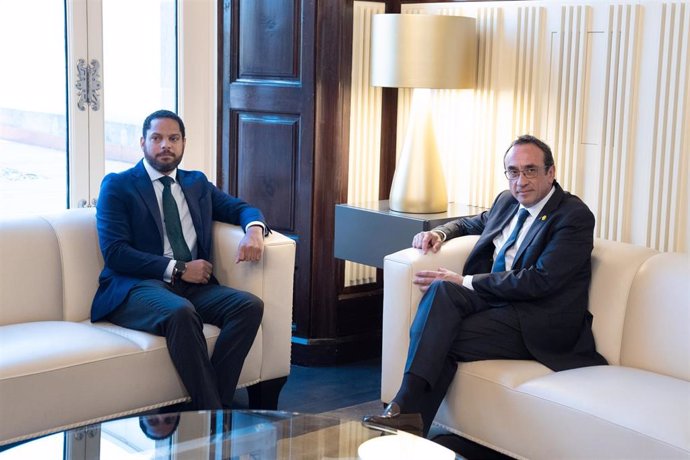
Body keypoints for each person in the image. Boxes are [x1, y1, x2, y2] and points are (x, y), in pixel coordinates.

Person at [363, 134, 607, 437]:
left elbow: (541, 280)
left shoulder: (573, 216)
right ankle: (407, 416)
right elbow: (471, 223)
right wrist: (439, 234)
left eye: (530, 170)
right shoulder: (508, 201)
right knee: (441, 291)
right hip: (497, 305)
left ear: (551, 173)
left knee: (439, 335)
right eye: (513, 172)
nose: (521, 181)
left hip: (538, 320)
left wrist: (465, 281)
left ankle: (405, 414)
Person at [91, 109, 269, 410]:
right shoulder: (118, 186)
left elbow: (241, 208)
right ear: (143, 142)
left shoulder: (196, 184)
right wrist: (179, 269)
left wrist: (254, 231)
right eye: (157, 138)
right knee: (181, 312)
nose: (165, 146)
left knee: (249, 306)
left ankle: (209, 408)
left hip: (193, 287)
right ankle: (214, 417)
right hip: (137, 287)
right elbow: (116, 253)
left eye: (173, 138)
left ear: (183, 143)